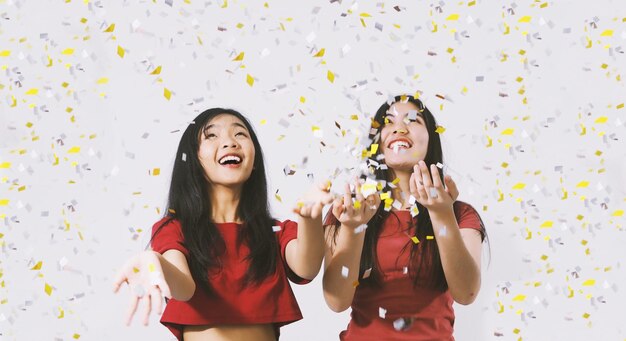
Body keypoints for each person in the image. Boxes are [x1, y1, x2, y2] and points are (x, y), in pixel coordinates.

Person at [113, 108, 333, 341]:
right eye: (211, 136)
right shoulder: (175, 229)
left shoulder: (275, 232)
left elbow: (306, 267)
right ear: (193, 159)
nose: (229, 142)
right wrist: (155, 260)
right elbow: (184, 288)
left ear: (255, 159)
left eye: (240, 134)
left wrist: (310, 218)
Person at [323, 95, 488, 340]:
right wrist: (352, 228)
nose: (399, 128)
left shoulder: (459, 214)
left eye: (413, 120)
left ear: (431, 138)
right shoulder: (348, 212)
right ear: (376, 143)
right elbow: (336, 301)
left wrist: (441, 214)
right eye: (388, 122)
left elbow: (467, 292)